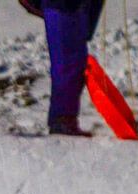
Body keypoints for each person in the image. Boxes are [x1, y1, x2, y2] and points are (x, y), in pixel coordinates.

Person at [20, 0, 107, 136]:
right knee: (68, 61)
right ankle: (62, 120)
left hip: (72, 6)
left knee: (74, 61)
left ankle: (65, 118)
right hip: (62, 5)